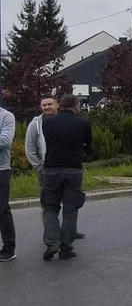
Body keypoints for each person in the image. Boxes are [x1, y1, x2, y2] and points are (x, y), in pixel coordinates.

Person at [39, 94, 93, 261]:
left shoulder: (47, 123)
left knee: (50, 208)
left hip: (51, 170)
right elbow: (88, 146)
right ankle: (66, 248)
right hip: (73, 170)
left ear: (59, 106)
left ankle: (52, 243)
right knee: (70, 211)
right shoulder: (84, 123)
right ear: (76, 106)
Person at [24, 96, 84, 242]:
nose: (47, 107)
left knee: (69, 203)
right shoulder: (35, 124)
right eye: (44, 105)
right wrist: (39, 167)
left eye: (50, 104)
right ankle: (52, 234)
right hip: (46, 169)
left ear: (57, 105)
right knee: (48, 204)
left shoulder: (66, 122)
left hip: (67, 167)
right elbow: (30, 148)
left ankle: (69, 231)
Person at [0, 102, 15, 262]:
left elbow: (4, 140)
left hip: (1, 169)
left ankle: (9, 248)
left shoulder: (6, 116)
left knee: (2, 209)